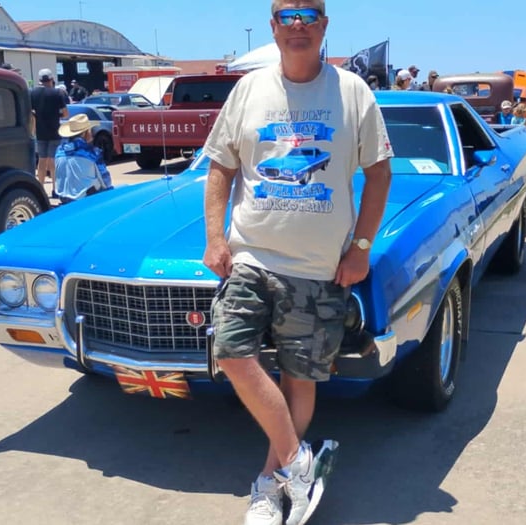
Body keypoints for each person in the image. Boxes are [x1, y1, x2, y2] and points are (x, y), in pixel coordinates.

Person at [202, 1, 393, 524]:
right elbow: (220, 168)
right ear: (273, 27)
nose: (299, 25)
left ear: (324, 25)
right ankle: (298, 461)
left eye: (309, 14)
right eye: (287, 16)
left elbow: (379, 173)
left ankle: (270, 485)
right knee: (231, 352)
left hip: (317, 266)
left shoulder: (352, 91)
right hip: (251, 256)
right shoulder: (249, 90)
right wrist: (215, 238)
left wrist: (361, 248)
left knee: (298, 379)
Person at [54, 114, 113, 203]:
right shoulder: (92, 153)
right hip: (86, 199)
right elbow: (106, 182)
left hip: (64, 198)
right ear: (86, 133)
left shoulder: (59, 151)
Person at [30, 68, 69, 194]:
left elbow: (30, 113)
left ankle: (40, 188)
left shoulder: (33, 93)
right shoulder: (58, 93)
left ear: (40, 80)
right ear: (52, 79)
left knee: (42, 160)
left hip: (40, 132)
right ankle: (55, 188)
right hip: (54, 131)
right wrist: (57, 115)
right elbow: (65, 113)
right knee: (53, 160)